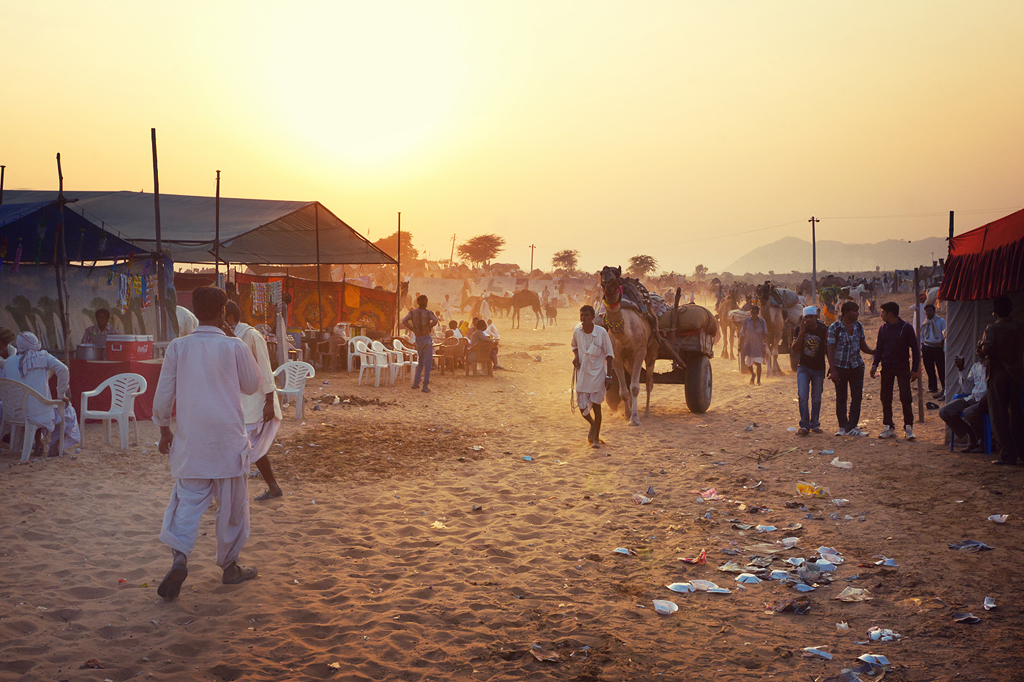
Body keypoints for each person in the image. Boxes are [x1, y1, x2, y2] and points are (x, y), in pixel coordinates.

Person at [152, 286, 263, 601]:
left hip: (193, 440)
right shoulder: (234, 345)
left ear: (196, 310)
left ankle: (180, 559)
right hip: (228, 440)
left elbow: (164, 395)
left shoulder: (178, 347)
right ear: (223, 312)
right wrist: (232, 338)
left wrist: (164, 430)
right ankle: (230, 568)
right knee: (232, 507)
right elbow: (253, 384)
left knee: (186, 503)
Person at [224, 301, 284, 501]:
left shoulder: (251, 335)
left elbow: (266, 369)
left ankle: (237, 495)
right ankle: (273, 487)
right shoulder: (228, 337)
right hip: (240, 401)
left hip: (257, 401)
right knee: (250, 448)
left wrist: (269, 401)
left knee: (245, 448)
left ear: (230, 318)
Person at [2, 331, 80, 457]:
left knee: (36, 405)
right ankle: (55, 446)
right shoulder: (43, 357)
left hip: (13, 412)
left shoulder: (9, 361)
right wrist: (61, 394)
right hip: (35, 412)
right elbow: (63, 369)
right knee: (67, 410)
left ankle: (38, 443)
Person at [978, 295, 1024, 465]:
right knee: (1017, 414)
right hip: (1017, 374)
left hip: (997, 374)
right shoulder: (1019, 327)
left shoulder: (992, 328)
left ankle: (1007, 454)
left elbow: (987, 349)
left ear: (994, 312)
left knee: (999, 414)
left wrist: (980, 348)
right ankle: (1021, 451)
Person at [871, 301, 921, 441]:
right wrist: (875, 364)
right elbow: (879, 348)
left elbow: (915, 350)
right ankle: (888, 426)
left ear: (890, 314)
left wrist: (915, 369)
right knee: (885, 397)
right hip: (886, 367)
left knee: (905, 396)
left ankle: (908, 427)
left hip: (902, 367)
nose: (881, 315)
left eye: (883, 312)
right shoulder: (882, 329)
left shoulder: (906, 328)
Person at [827, 301, 874, 436]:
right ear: (846, 312)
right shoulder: (834, 328)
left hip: (856, 366)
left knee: (857, 397)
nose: (857, 313)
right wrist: (833, 369)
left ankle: (852, 425)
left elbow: (862, 344)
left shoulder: (858, 326)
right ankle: (843, 425)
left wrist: (872, 352)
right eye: (854, 311)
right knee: (841, 397)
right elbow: (830, 350)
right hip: (841, 367)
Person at [571, 305, 614, 447]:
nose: (583, 318)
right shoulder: (577, 332)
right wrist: (576, 357)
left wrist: (609, 376)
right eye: (581, 315)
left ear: (593, 317)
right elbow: (574, 346)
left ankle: (595, 439)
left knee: (596, 407)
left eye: (586, 315)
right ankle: (594, 425)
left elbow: (609, 355)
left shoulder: (601, 333)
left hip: (598, 374)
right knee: (583, 408)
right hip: (583, 373)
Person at [939, 354, 987, 453]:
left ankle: (983, 441)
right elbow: (967, 389)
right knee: (945, 411)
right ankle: (971, 434)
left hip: (986, 400)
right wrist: (961, 370)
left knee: (969, 412)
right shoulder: (976, 366)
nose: (978, 351)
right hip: (972, 398)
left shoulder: (994, 367)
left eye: (981, 348)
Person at [792, 306, 828, 435]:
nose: (808, 320)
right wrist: (801, 333)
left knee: (816, 398)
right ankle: (804, 425)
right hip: (804, 367)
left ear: (816, 317)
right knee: (802, 396)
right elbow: (795, 348)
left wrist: (832, 367)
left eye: (810, 317)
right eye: (805, 317)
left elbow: (828, 349)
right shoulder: (800, 330)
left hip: (818, 368)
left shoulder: (824, 330)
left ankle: (814, 424)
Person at [402, 295, 439, 393]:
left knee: (420, 362)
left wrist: (413, 328)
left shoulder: (413, 313)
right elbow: (435, 320)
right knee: (428, 363)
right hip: (426, 337)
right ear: (426, 302)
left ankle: (416, 383)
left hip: (418, 338)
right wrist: (428, 327)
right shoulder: (428, 313)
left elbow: (404, 320)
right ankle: (425, 385)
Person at [920, 304, 947, 397]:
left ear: (934, 311)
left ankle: (945, 387)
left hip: (938, 348)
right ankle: (932, 387)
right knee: (929, 368)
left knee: (941, 368)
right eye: (926, 311)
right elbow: (922, 335)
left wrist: (943, 347)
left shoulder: (940, 321)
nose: (928, 313)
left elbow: (945, 335)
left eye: (930, 310)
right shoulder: (925, 322)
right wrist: (922, 346)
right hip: (927, 347)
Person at [739, 305, 768, 386]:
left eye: (755, 312)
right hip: (748, 345)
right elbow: (742, 333)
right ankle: (753, 374)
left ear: (758, 313)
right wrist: (740, 344)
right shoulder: (746, 321)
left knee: (758, 363)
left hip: (758, 345)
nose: (753, 314)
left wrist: (765, 345)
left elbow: (765, 333)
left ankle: (758, 380)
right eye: (752, 312)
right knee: (748, 363)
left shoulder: (762, 322)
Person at [275, 292, 292, 367]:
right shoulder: (282, 305)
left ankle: (278, 362)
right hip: (281, 327)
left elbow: (281, 318)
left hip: (280, 327)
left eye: (285, 295)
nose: (282, 294)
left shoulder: (283, 305)